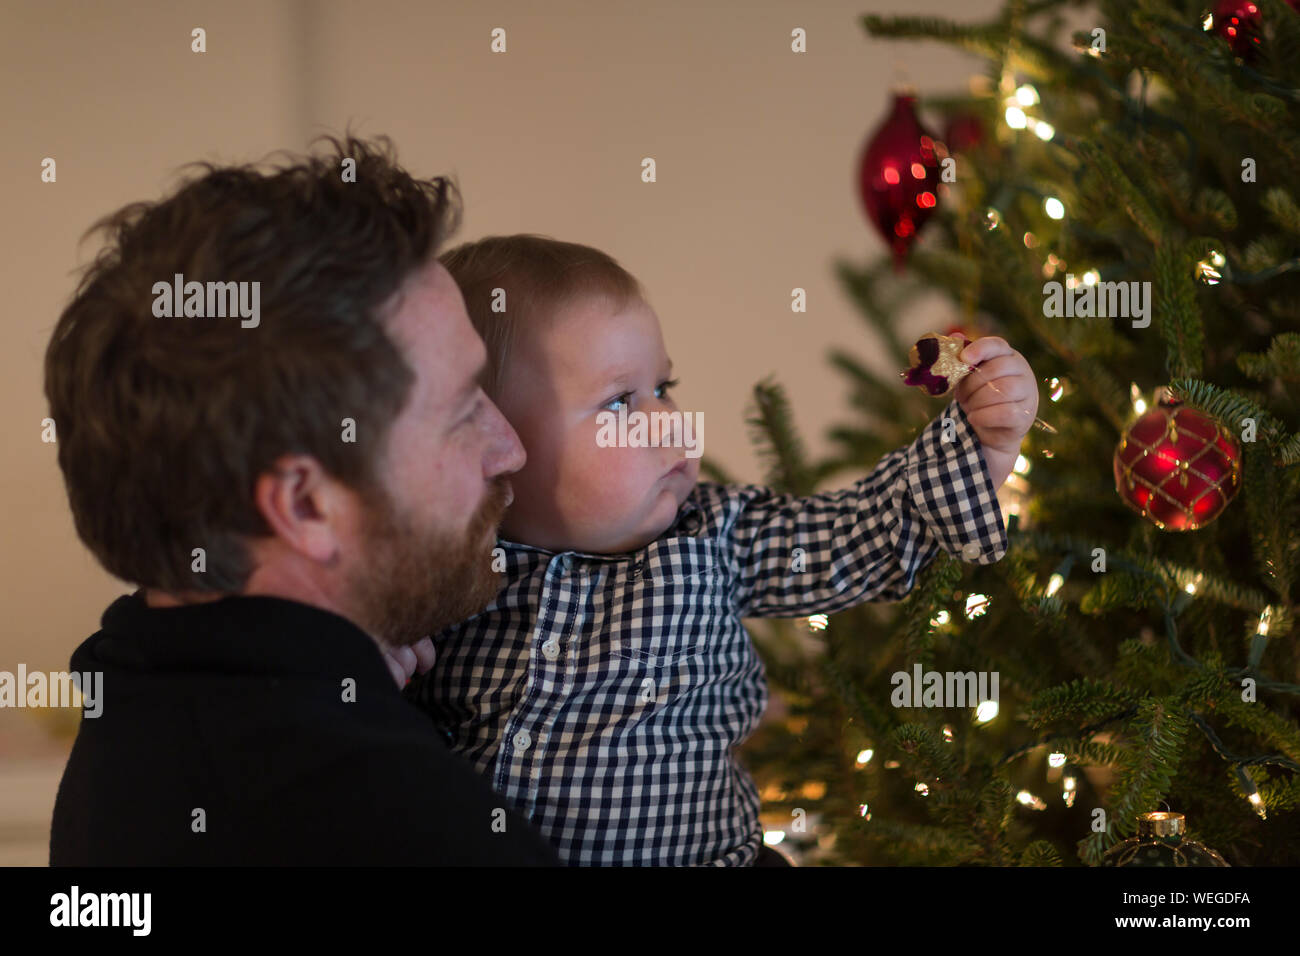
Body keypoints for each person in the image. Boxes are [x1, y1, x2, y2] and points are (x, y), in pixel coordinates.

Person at [407, 234, 1036, 865]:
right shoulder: (453, 572)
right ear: (492, 439)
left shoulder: (716, 535)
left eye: (666, 386)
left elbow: (858, 534)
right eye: (621, 402)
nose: (673, 422)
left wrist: (984, 446)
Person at [45, 136, 560, 865]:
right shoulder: (397, 818)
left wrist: (346, 677)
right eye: (461, 411)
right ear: (306, 505)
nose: (511, 450)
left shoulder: (137, 689)